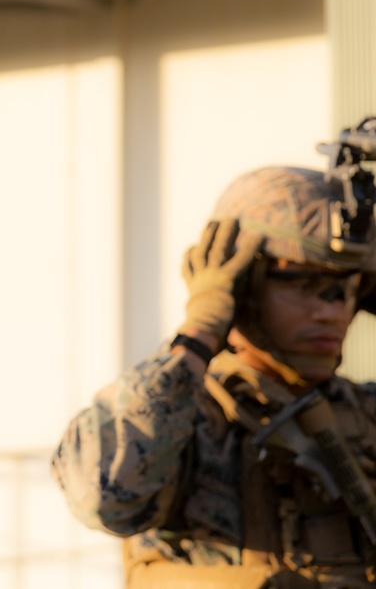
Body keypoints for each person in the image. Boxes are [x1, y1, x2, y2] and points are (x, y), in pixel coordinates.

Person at [52, 118, 376, 588]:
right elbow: (101, 494)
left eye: (345, 290)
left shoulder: (360, 411)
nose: (332, 312)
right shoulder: (191, 417)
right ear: (243, 287)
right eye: (302, 284)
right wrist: (201, 330)